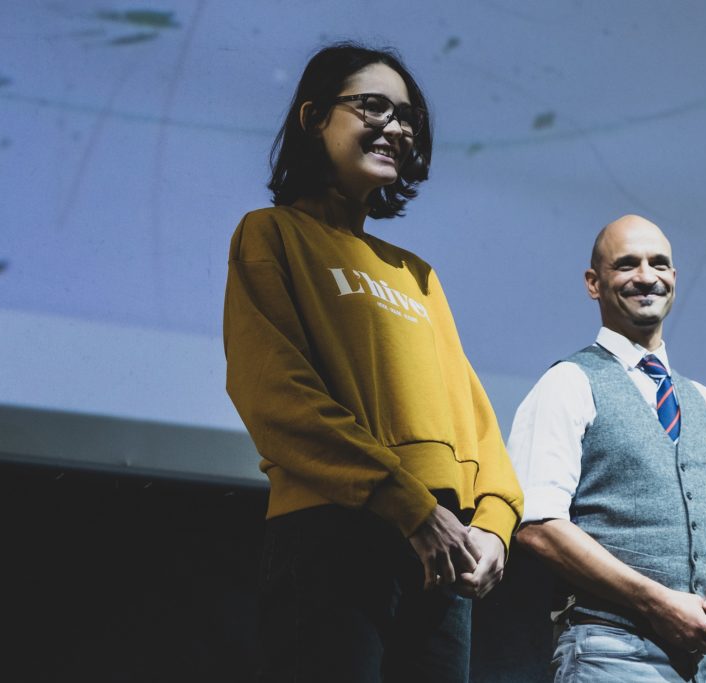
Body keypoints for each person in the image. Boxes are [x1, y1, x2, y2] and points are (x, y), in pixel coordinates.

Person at [223, 43, 523, 683]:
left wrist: (495, 524)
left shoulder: (417, 275)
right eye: (372, 107)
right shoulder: (271, 234)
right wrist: (407, 504)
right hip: (333, 531)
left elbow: (476, 425)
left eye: (407, 116)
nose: (396, 127)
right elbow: (275, 393)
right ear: (313, 117)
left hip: (443, 546)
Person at [507, 215, 706, 682]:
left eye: (658, 263)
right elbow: (538, 525)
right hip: (610, 650)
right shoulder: (569, 382)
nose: (646, 276)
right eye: (626, 265)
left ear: (674, 277)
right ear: (593, 283)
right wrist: (656, 602)